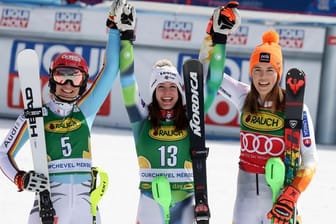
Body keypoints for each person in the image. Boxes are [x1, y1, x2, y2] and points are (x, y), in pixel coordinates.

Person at [106, 1, 240, 223]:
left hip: (187, 200)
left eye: (172, 87)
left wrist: (218, 38)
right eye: (161, 87)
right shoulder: (141, 118)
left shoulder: (192, 116)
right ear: (153, 90)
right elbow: (127, 79)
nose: (167, 93)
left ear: (180, 90)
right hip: (150, 201)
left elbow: (212, 81)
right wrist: (127, 36)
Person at [0, 2, 125, 223]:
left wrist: (114, 28)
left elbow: (111, 68)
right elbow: (3, 154)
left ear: (83, 83)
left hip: (86, 211)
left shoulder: (85, 109)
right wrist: (21, 178)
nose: (67, 84)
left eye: (74, 78)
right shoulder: (35, 115)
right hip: (48, 209)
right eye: (61, 76)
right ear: (52, 80)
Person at [203, 6, 318, 224]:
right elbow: (208, 73)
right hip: (245, 200)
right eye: (257, 69)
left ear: (279, 73)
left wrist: (292, 195)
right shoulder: (243, 96)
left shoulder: (296, 108)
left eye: (269, 70)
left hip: (279, 202)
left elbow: (310, 159)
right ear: (251, 72)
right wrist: (215, 37)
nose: (262, 77)